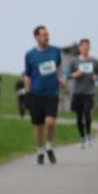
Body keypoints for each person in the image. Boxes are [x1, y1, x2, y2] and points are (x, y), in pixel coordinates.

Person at [24, 26, 65, 165]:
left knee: (50, 122)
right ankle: (40, 151)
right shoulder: (30, 55)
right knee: (38, 126)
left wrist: (61, 78)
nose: (47, 37)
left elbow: (60, 68)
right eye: (44, 35)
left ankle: (49, 146)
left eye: (48, 34)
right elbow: (28, 76)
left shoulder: (55, 51)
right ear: (36, 37)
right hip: (36, 94)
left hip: (52, 92)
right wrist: (27, 93)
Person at [67, 39, 98, 149]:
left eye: (88, 46)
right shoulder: (74, 61)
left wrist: (95, 77)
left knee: (87, 113)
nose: (86, 48)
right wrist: (75, 74)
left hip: (89, 92)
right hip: (78, 92)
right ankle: (82, 137)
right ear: (79, 48)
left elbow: (97, 75)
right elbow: (68, 75)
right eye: (84, 46)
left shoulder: (94, 61)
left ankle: (89, 133)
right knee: (79, 117)